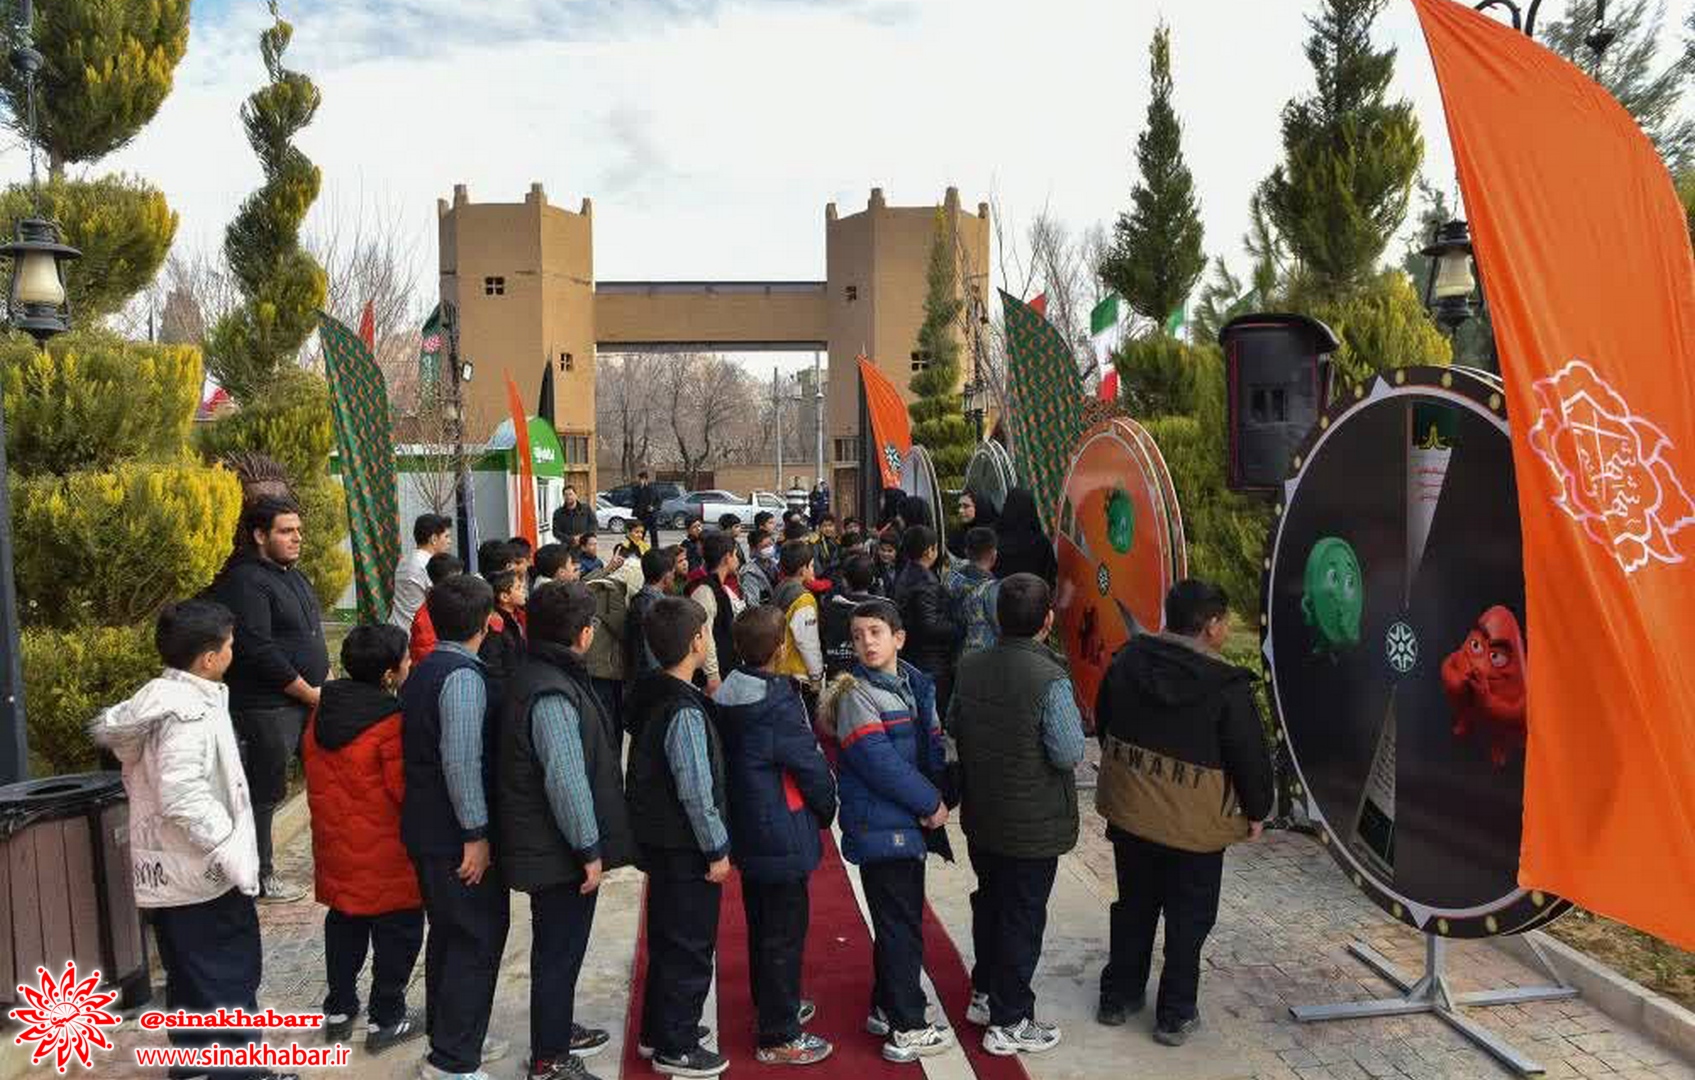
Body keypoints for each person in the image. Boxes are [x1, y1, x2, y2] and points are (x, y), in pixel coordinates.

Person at [90, 601, 297, 1080]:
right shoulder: (186, 713)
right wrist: (228, 847)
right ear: (208, 658)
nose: (233, 652)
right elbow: (182, 795)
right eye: (229, 645)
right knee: (227, 974)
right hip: (201, 870)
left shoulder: (166, 699)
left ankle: (192, 1064)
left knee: (190, 972)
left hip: (173, 871)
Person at [1093, 579, 1275, 1045]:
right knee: (1188, 917)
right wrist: (1258, 811)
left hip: (1132, 812)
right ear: (1211, 626)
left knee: (1134, 905)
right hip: (1194, 831)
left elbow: (1104, 718)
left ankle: (1118, 997)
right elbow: (1249, 756)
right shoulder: (1227, 687)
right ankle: (1174, 1014)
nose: (1227, 628)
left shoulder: (1128, 660)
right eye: (1225, 621)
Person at [498, 582, 637, 1080]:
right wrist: (588, 848)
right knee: (558, 952)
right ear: (583, 634)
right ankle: (549, 1058)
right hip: (556, 851)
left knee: (561, 950)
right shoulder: (550, 690)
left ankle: (556, 1029)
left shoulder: (546, 672)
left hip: (553, 847)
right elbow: (565, 779)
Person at [949, 575, 1084, 1056]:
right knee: (1021, 917)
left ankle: (985, 993)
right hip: (1032, 824)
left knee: (991, 903)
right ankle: (1010, 1021)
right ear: (1048, 620)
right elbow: (1068, 752)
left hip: (984, 815)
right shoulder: (1049, 677)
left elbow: (954, 723)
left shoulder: (970, 666)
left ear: (996, 617)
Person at [819, 599, 954, 1063]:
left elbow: (929, 744)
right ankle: (907, 1026)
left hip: (904, 820)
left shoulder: (913, 683)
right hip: (882, 824)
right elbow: (879, 762)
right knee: (899, 926)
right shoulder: (856, 694)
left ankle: (885, 1005)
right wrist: (930, 802)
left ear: (899, 638)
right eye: (857, 636)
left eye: (875, 632)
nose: (866, 643)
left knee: (900, 919)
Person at [400, 574, 512, 1079]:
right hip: (454, 836)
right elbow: (462, 761)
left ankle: (452, 1036)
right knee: (474, 937)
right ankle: (452, 1060)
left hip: (429, 828)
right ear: (486, 622)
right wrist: (476, 834)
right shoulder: (463, 678)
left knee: (450, 936)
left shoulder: (425, 669)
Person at [714, 607, 837, 1066]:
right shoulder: (777, 702)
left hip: (748, 823)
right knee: (784, 931)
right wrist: (827, 807)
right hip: (780, 827)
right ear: (782, 648)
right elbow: (809, 764)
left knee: (763, 925)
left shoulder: (726, 694)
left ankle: (771, 1004)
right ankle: (779, 1033)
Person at [302, 625, 426, 1053]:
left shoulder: (323, 712)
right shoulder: (390, 722)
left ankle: (339, 1009)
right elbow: (405, 791)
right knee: (398, 933)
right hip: (387, 855)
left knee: (344, 923)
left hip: (336, 848)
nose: (411, 663)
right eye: (406, 658)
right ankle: (386, 1019)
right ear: (390, 674)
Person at [623, 597, 732, 1078]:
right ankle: (678, 1045)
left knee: (668, 939)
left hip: (659, 841)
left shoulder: (651, 693)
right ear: (696, 642)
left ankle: (658, 1029)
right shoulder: (683, 709)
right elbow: (695, 790)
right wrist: (716, 847)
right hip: (685, 846)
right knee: (689, 946)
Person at [212, 495, 329, 904]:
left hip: (307, 701)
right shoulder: (245, 582)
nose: (297, 538)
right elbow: (258, 649)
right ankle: (261, 874)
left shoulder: (292, 575)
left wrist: (325, 684)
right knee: (265, 792)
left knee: (324, 778)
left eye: (298, 530)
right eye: (286, 531)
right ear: (260, 535)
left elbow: (310, 636)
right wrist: (308, 691)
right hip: (267, 706)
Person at [892, 525, 959, 721]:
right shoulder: (926, 581)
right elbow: (929, 626)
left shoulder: (905, 573)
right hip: (929, 659)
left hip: (911, 654)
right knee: (931, 716)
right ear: (930, 551)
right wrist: (958, 628)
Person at [687, 532, 745, 694]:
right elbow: (705, 634)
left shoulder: (720, 587)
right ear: (727, 557)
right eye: (735, 554)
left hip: (727, 669)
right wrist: (712, 675)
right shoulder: (705, 590)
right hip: (714, 678)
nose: (737, 559)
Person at [772, 540, 825, 699]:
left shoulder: (779, 588)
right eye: (812, 566)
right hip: (797, 674)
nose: (813, 570)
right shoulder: (804, 598)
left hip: (778, 668)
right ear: (803, 570)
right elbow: (807, 641)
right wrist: (816, 675)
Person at [820, 554, 880, 680]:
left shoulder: (829, 607)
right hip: (872, 676)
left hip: (837, 677)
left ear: (845, 581)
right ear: (873, 580)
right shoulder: (883, 610)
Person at [392, 513, 454, 630]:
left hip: (397, 626)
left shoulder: (404, 560)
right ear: (433, 539)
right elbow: (445, 600)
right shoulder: (429, 564)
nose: (450, 541)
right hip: (416, 632)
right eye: (446, 537)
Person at [627, 546, 681, 679]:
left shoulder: (644, 599)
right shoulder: (652, 605)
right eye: (673, 572)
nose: (674, 577)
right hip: (652, 679)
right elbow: (650, 653)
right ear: (666, 576)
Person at [946, 527, 1001, 656]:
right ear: (994, 554)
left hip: (953, 653)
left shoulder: (951, 576)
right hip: (983, 657)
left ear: (966, 551)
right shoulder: (992, 591)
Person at [478, 568, 529, 694]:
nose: (524, 590)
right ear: (504, 597)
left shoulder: (519, 615)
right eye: (518, 588)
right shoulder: (495, 626)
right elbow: (493, 669)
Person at [993, 488, 1057, 586]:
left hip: (1002, 593)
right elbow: (1051, 575)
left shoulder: (994, 541)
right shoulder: (1041, 542)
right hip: (1035, 593)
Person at [410, 553, 464, 666]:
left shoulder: (449, 605)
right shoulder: (426, 615)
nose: (462, 583)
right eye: (458, 579)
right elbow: (425, 655)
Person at [947, 490, 998, 562]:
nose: (960, 510)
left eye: (966, 506)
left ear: (979, 507)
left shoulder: (993, 535)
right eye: (960, 506)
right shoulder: (957, 534)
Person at [740, 531, 778, 608]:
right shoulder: (750, 574)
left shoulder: (774, 564)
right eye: (765, 546)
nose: (769, 548)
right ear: (754, 549)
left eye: (771, 544)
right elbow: (752, 605)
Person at [632, 471, 662, 538]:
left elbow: (659, 501)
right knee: (641, 533)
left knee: (653, 534)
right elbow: (634, 501)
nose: (640, 481)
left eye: (641, 479)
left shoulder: (653, 488)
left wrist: (653, 508)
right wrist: (642, 488)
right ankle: (640, 544)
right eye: (639, 479)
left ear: (646, 479)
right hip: (641, 516)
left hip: (651, 515)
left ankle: (654, 545)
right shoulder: (636, 489)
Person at [874, 531, 901, 597]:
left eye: (890, 551)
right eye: (882, 550)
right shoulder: (873, 568)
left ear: (896, 551)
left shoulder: (904, 567)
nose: (885, 554)